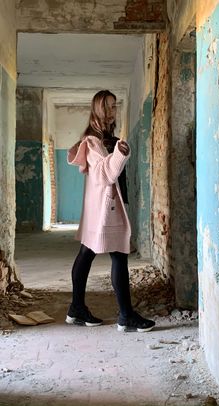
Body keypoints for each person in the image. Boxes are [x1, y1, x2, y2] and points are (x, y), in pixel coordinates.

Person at [66, 90, 155, 333]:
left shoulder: (106, 138)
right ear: (97, 109)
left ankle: (77, 309)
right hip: (104, 207)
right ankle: (125, 316)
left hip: (105, 206)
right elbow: (106, 174)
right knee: (115, 254)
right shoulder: (93, 141)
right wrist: (121, 153)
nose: (112, 111)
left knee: (89, 252)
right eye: (108, 106)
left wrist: (116, 147)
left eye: (114, 106)